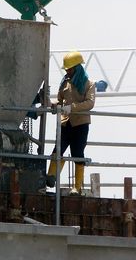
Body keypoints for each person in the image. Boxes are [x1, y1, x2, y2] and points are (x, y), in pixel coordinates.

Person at [46, 51, 95, 195]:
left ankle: (77, 187)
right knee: (57, 150)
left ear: (77, 68)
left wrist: (71, 108)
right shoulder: (64, 83)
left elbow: (90, 103)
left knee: (77, 153)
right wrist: (52, 104)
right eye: (66, 69)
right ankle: (51, 176)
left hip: (80, 124)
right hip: (65, 123)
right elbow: (60, 101)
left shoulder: (89, 84)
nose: (67, 71)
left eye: (69, 69)